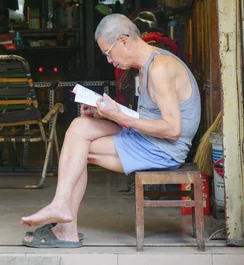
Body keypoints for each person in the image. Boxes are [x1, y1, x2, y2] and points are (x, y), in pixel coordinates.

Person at [20, 13, 200, 248]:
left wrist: (120, 116)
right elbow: (147, 118)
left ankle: (65, 224)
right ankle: (62, 211)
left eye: (108, 53)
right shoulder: (149, 65)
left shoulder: (159, 68)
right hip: (148, 139)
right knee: (80, 125)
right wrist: (105, 113)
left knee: (78, 149)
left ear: (124, 41)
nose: (109, 61)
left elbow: (173, 129)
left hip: (164, 149)